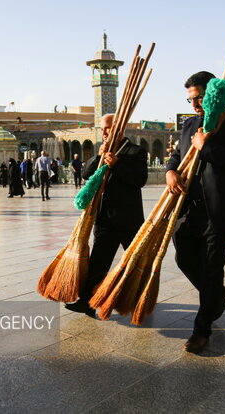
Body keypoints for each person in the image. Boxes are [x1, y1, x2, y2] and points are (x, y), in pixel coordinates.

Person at [166, 71, 225, 353]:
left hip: (220, 211)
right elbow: (177, 155)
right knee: (184, 259)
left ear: (214, 92)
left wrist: (206, 146)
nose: (194, 104)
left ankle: (201, 330)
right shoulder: (190, 124)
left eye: (199, 97)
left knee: (212, 268)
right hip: (189, 209)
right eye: (190, 99)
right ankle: (217, 297)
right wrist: (169, 171)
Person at [65, 114, 148, 317]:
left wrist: (117, 164)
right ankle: (87, 301)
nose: (104, 132)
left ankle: (140, 298)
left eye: (108, 128)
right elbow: (86, 175)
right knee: (99, 261)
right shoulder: (101, 151)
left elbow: (139, 180)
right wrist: (97, 158)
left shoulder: (136, 151)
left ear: (120, 129)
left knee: (135, 261)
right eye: (102, 128)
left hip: (128, 218)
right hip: (104, 217)